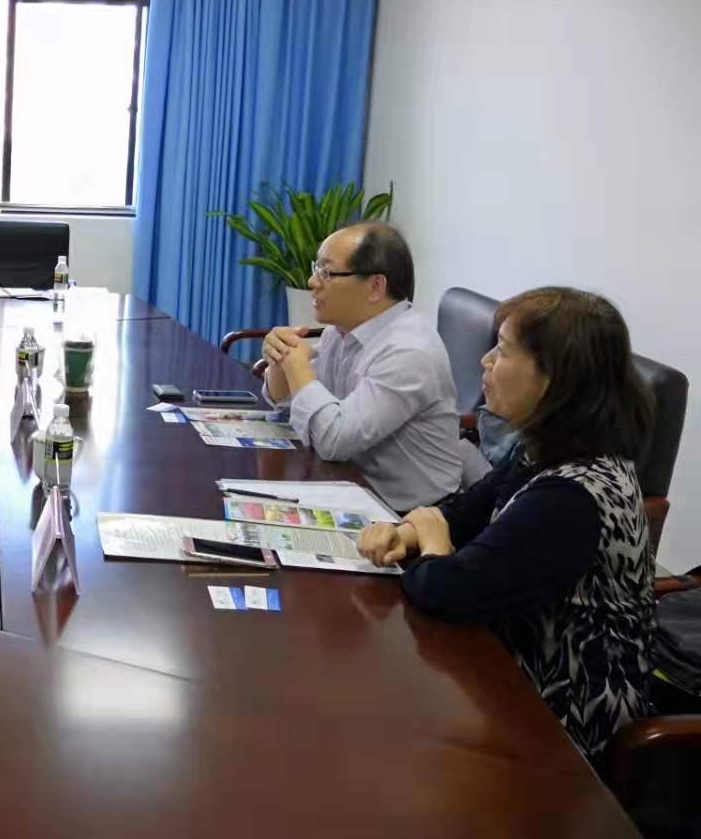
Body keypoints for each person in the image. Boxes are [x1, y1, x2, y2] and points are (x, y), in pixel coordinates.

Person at [357, 287, 656, 761]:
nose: (486, 361)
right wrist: (407, 534)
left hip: (559, 724)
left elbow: (448, 592)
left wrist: (432, 543)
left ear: (555, 379)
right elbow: (467, 510)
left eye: (503, 350)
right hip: (500, 670)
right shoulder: (545, 448)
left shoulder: (571, 497)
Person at [262, 223, 465, 512]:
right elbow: (292, 409)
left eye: (327, 272)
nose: (312, 281)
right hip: (348, 487)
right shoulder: (340, 330)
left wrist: (297, 367)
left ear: (375, 287)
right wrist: (281, 360)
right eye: (316, 269)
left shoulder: (408, 352)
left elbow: (333, 441)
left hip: (410, 517)